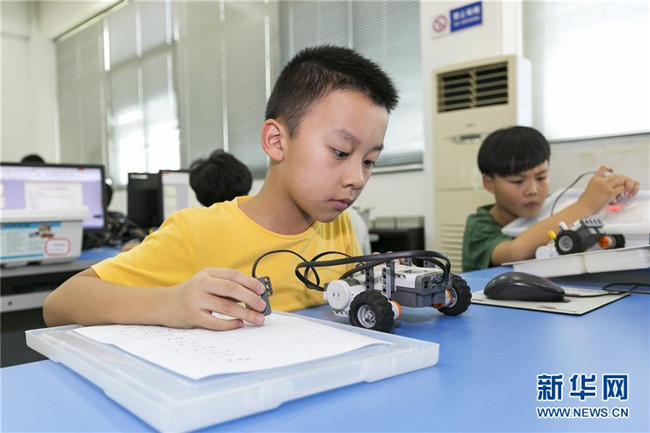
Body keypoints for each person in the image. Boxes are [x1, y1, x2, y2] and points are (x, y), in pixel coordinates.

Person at [43, 45, 398, 331]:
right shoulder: (196, 232)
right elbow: (60, 304)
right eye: (340, 152)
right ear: (276, 141)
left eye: (369, 161)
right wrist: (171, 302)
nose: (357, 178)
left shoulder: (340, 229)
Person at [462, 126, 640, 272]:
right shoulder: (479, 226)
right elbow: (515, 252)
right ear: (489, 183)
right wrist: (586, 205)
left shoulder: (554, 206)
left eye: (541, 177)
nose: (532, 190)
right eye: (517, 181)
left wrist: (612, 197)